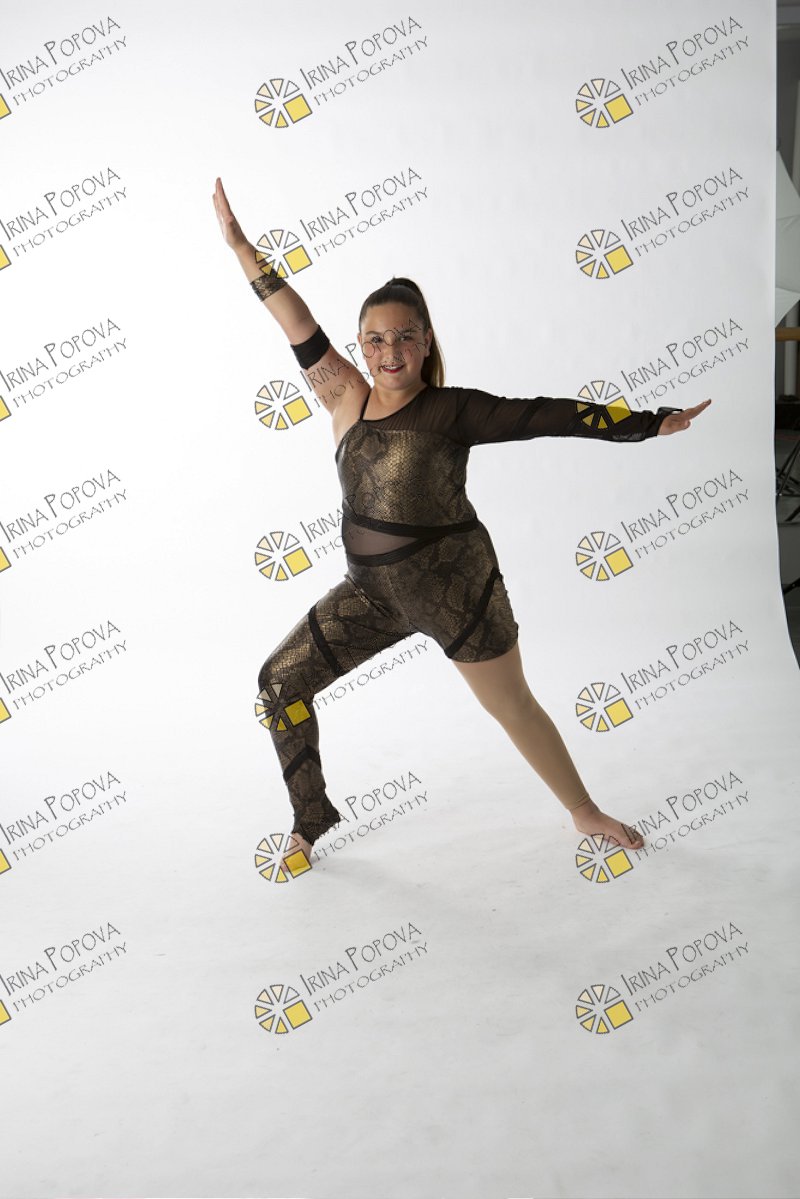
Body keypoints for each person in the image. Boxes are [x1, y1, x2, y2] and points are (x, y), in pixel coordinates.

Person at [212, 176, 712, 871]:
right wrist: (242, 250)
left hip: (458, 593)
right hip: (370, 596)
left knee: (514, 708)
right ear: (359, 346)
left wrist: (649, 423)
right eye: (375, 339)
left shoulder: (453, 411)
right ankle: (310, 819)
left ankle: (583, 810)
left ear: (425, 342)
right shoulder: (343, 397)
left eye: (404, 337)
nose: (390, 351)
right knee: (279, 683)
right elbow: (293, 320)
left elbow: (547, 415)